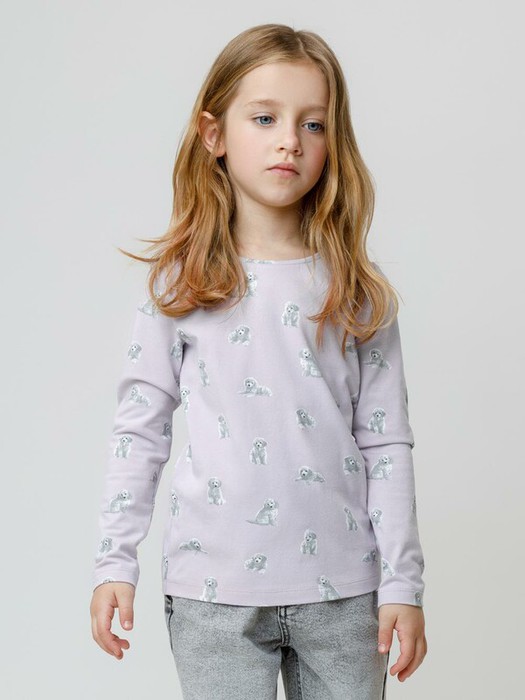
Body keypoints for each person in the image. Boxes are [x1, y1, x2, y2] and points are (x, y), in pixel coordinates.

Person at [90, 22, 427, 699]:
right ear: (213, 134)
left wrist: (402, 583)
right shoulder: (178, 288)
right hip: (212, 594)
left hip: (344, 594)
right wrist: (113, 562)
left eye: (313, 124)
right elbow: (139, 431)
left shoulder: (357, 294)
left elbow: (386, 443)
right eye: (265, 118)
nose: (289, 141)